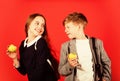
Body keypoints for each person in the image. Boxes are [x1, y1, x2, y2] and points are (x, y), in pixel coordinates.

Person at [58, 12, 111, 81]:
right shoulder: (65, 46)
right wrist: (70, 65)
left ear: (79, 27)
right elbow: (61, 71)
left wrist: (106, 78)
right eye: (65, 28)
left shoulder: (97, 43)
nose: (65, 30)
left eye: (68, 27)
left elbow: (106, 62)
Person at [7, 13, 59, 81]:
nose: (40, 27)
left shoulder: (40, 42)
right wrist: (15, 59)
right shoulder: (23, 45)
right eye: (37, 23)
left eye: (43, 25)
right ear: (29, 24)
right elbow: (24, 71)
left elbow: (40, 71)